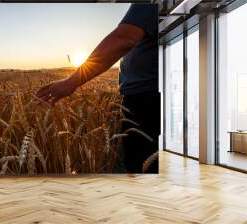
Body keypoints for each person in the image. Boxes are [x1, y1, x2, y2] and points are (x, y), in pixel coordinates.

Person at [36, 4, 159, 173]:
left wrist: (71, 82)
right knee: (144, 163)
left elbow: (123, 39)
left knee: (141, 164)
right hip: (144, 95)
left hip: (146, 98)